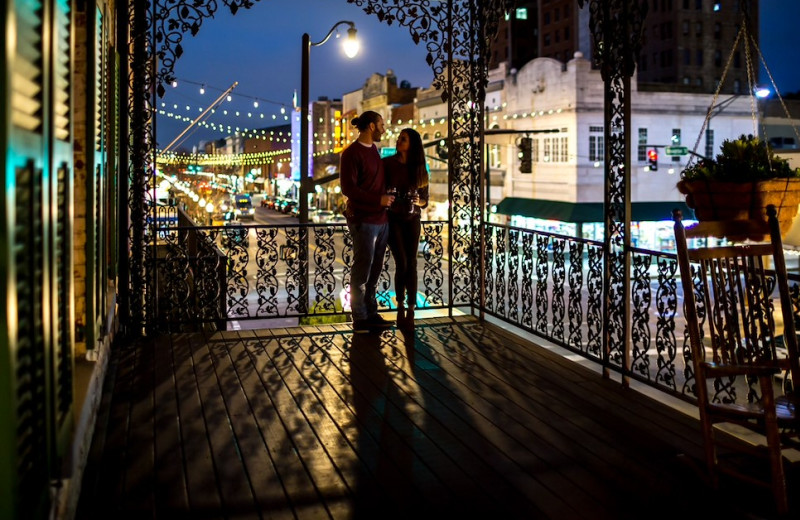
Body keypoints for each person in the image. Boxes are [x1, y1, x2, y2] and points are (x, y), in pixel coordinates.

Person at [340, 111, 396, 331]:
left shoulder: (374, 150)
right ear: (372, 126)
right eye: (381, 125)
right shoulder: (351, 154)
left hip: (381, 219)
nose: (384, 129)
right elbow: (349, 189)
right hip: (364, 220)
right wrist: (378, 199)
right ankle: (360, 317)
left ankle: (372, 313)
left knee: (375, 269)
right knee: (362, 270)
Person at [383, 128, 429, 328]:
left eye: (403, 139)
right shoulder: (388, 164)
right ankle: (400, 304)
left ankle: (411, 308)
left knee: (411, 262)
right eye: (399, 138)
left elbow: (426, 200)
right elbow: (380, 187)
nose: (398, 141)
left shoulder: (419, 169)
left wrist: (420, 201)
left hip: (412, 218)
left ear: (413, 145)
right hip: (393, 218)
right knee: (401, 261)